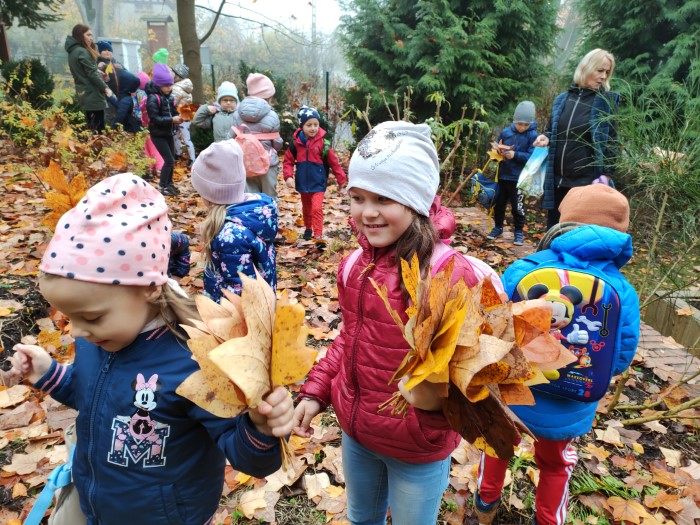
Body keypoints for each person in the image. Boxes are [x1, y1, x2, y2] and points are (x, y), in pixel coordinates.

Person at [9, 173, 294, 525]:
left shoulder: (194, 361)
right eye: (70, 317)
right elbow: (95, 397)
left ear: (149, 289)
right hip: (99, 509)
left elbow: (247, 457)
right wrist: (48, 373)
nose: (77, 331)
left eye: (91, 317)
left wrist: (261, 428)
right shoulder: (98, 339)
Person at [292, 121, 485, 525]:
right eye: (358, 197)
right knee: (362, 518)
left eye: (384, 198)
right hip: (358, 435)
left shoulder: (446, 275)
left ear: (415, 201)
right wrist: (317, 391)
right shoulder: (354, 266)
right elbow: (350, 337)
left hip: (417, 445)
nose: (367, 212)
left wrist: (431, 412)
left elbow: (471, 370)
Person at [474, 184, 640, 525]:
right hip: (571, 399)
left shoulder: (524, 269)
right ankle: (549, 519)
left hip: (512, 389)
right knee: (555, 464)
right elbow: (621, 357)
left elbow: (492, 324)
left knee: (497, 445)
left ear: (563, 221)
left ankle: (485, 505)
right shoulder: (622, 290)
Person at [534, 49, 620, 228]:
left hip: (584, 185)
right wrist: (545, 138)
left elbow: (612, 142)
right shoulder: (562, 100)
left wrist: (606, 174)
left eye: (607, 72)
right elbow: (551, 130)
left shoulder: (606, 103)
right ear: (586, 68)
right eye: (599, 70)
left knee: (574, 234)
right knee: (553, 231)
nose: (603, 76)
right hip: (557, 182)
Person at [191, 139, 278, 302]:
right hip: (259, 305)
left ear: (210, 193)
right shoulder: (254, 214)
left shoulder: (231, 236)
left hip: (237, 313)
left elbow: (239, 292)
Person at [282, 106, 346, 243]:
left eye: (316, 124)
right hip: (303, 182)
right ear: (301, 126)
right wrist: (288, 176)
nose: (313, 128)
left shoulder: (323, 143)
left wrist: (341, 179)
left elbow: (334, 162)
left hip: (318, 182)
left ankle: (318, 235)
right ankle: (308, 228)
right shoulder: (296, 143)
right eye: (309, 125)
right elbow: (288, 161)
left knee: (316, 208)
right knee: (306, 208)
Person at [486, 101, 539, 246]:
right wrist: (497, 151)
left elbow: (532, 157)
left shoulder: (533, 136)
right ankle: (498, 227)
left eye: (525, 125)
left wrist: (515, 155)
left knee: (518, 206)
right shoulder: (506, 132)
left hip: (519, 178)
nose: (522, 127)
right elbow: (497, 145)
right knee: (499, 203)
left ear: (530, 123)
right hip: (503, 175)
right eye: (519, 124)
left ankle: (519, 231)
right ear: (514, 121)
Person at [230, 73, 284, 198]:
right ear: (268, 96)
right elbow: (277, 143)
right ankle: (269, 210)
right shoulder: (272, 116)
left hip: (245, 162)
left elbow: (230, 137)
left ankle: (254, 210)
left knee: (250, 196)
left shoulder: (237, 114)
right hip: (267, 161)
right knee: (269, 196)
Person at [64, 24, 113, 133]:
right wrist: (105, 88)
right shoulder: (82, 51)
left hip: (83, 92)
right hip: (92, 94)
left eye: (91, 35)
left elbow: (83, 71)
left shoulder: (73, 51)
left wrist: (97, 71)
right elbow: (91, 74)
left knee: (90, 129)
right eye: (88, 35)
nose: (91, 38)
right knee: (98, 131)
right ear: (80, 35)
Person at [145, 63, 183, 197]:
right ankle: (162, 186)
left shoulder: (170, 98)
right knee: (169, 160)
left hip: (169, 133)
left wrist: (181, 116)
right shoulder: (152, 99)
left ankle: (169, 183)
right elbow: (155, 118)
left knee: (172, 160)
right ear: (159, 85)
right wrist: (172, 120)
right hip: (158, 134)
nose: (169, 88)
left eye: (170, 85)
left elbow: (174, 112)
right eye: (166, 85)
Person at [171, 64, 196, 166]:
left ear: (178, 75)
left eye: (173, 73)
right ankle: (179, 153)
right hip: (186, 114)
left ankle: (192, 159)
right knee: (178, 136)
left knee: (184, 138)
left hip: (180, 115)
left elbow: (172, 102)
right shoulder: (185, 86)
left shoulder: (177, 88)